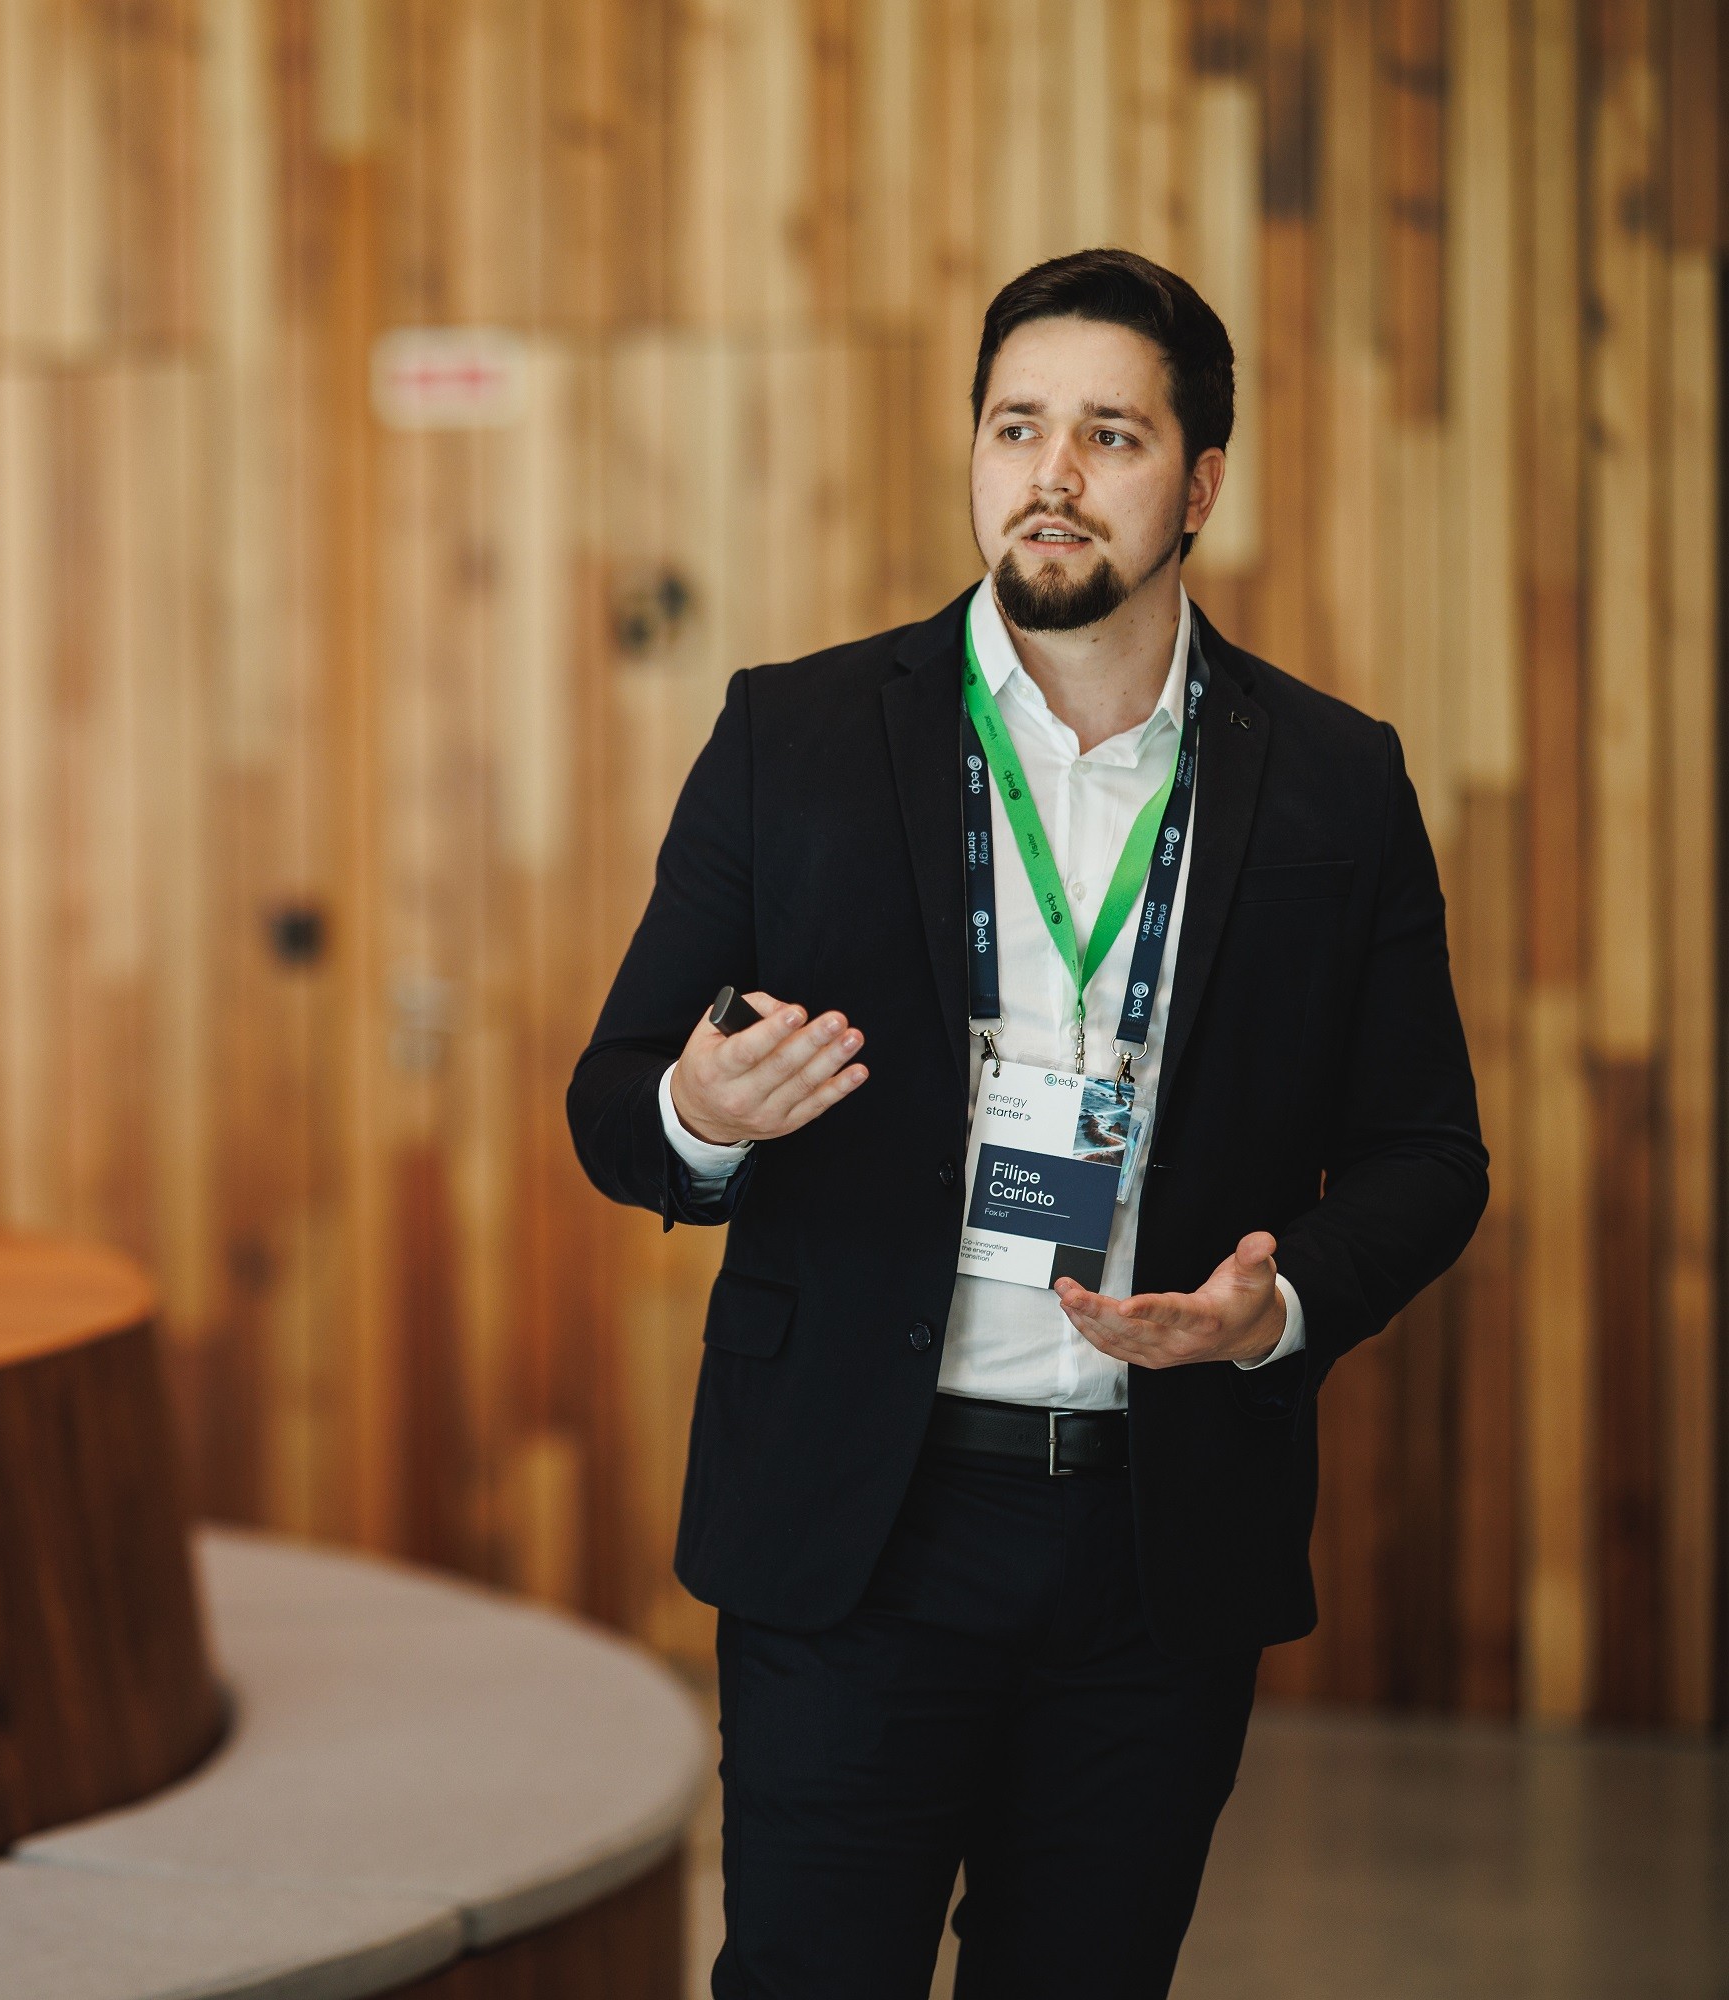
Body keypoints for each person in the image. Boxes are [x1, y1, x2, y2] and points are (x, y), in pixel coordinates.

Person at [566, 248, 1488, 1998]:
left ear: (1199, 484)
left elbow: (1429, 1156)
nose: (1051, 474)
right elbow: (613, 1101)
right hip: (855, 1526)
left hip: (1158, 1542)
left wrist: (1273, 1310)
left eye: (1110, 435)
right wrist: (699, 1110)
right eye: (1015, 426)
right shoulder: (796, 734)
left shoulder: (1334, 778)